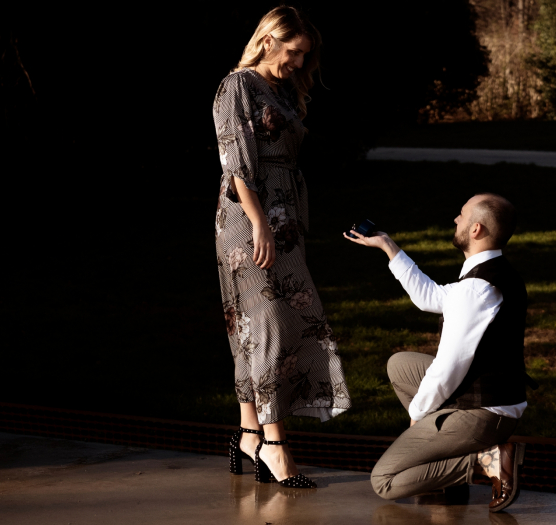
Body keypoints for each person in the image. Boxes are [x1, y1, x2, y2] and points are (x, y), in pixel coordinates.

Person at [214, 6, 351, 488]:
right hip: (249, 215)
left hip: (282, 216)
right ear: (269, 39)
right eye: (294, 52)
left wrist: (282, 219)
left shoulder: (280, 88)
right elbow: (236, 163)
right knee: (268, 323)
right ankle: (274, 444)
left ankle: (250, 433)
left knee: (255, 326)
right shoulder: (238, 85)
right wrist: (259, 224)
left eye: (305, 56)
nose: (298, 63)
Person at [344, 193, 529, 512]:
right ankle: (446, 480)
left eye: (461, 215)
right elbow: (432, 297)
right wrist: (390, 248)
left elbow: (448, 367)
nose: (455, 219)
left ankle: (487, 462)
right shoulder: (493, 273)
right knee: (400, 365)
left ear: (476, 230)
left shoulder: (476, 290)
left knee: (385, 480)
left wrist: (418, 414)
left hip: (484, 413)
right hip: (493, 398)